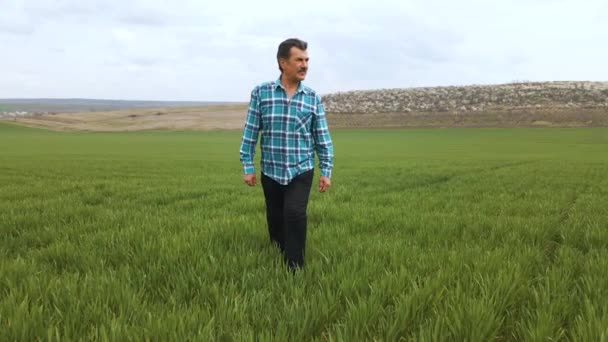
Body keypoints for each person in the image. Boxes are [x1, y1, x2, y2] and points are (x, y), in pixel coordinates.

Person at [239, 38, 334, 271]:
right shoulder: (262, 93)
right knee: (275, 216)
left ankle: (295, 267)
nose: (305, 65)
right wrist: (248, 166)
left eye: (307, 60)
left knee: (294, 213)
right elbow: (251, 131)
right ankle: (278, 251)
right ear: (283, 63)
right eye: (299, 60)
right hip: (271, 170)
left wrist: (326, 170)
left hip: (301, 169)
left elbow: (322, 136)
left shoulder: (312, 97)